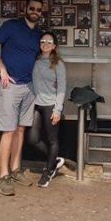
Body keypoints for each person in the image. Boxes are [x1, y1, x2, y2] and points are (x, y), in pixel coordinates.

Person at [0, 0, 43, 196]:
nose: (35, 11)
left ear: (41, 13)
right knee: (8, 130)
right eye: (32, 8)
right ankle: (3, 175)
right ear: (25, 9)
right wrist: (1, 69)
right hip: (9, 85)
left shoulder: (38, 34)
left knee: (20, 129)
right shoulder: (11, 26)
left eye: (38, 9)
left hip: (29, 87)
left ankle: (16, 169)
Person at [27, 31, 67, 188]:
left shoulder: (58, 64)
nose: (45, 43)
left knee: (52, 140)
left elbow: (62, 87)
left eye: (49, 42)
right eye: (43, 41)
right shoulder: (34, 60)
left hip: (51, 105)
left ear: (54, 46)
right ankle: (55, 159)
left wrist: (58, 109)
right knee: (33, 139)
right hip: (36, 104)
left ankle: (49, 171)